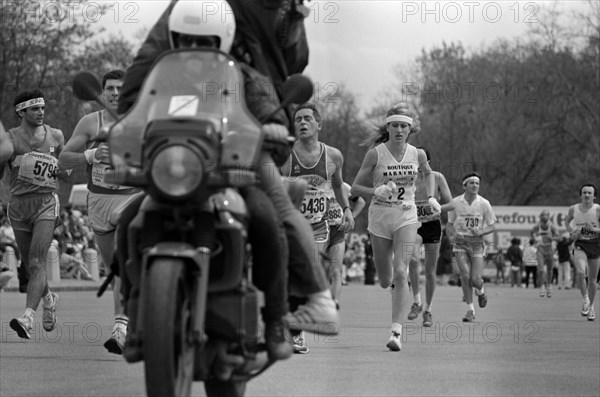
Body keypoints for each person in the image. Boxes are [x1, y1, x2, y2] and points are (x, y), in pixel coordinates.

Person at [115, 0, 338, 361]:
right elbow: (135, 105)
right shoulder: (161, 79)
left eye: (204, 41)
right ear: (173, 37)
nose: (193, 48)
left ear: (223, 40)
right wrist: (122, 129)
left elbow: (270, 99)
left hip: (228, 173)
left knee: (266, 219)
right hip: (177, 173)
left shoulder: (242, 76)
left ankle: (277, 320)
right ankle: (137, 320)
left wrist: (273, 129)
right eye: (185, 39)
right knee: (129, 221)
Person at [59, 70, 142, 354]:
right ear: (102, 92)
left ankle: (120, 327)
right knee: (113, 267)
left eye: (121, 88)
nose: (116, 93)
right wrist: (90, 156)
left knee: (121, 261)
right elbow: (62, 161)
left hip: (132, 198)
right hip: (99, 201)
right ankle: (132, 313)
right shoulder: (90, 122)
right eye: (110, 89)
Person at [351, 104, 441, 351]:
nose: (399, 130)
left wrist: (431, 197)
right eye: (395, 125)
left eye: (404, 126)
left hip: (406, 217)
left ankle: (396, 333)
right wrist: (375, 190)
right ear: (387, 127)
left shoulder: (418, 154)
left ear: (410, 129)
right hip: (380, 217)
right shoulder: (375, 154)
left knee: (402, 271)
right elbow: (355, 188)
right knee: (385, 279)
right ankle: (393, 288)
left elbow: (429, 173)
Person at [281, 103, 356, 353]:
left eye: (307, 119)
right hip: (291, 222)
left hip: (318, 224)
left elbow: (338, 185)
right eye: (298, 119)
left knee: (312, 268)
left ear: (318, 124)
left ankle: (300, 331)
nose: (302, 123)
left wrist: (346, 209)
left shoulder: (333, 156)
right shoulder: (285, 154)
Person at [5, 90, 64, 339]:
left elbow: (64, 165)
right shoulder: (9, 140)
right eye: (34, 109)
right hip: (18, 206)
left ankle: (27, 317)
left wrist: (64, 169)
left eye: (42, 108)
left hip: (45, 204)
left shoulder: (56, 136)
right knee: (31, 266)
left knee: (38, 261)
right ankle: (49, 300)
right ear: (21, 111)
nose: (41, 112)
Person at [406, 148, 453, 327]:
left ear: (427, 163)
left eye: (420, 162)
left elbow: (451, 203)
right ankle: (416, 302)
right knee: (412, 258)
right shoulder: (408, 177)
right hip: (414, 224)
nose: (416, 165)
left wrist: (438, 207)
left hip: (432, 225)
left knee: (430, 271)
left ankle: (428, 310)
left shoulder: (437, 177)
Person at [446, 172, 496, 323]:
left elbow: (492, 226)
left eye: (477, 183)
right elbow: (449, 225)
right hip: (460, 243)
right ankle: (470, 311)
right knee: (465, 276)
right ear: (464, 185)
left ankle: (481, 291)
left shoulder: (484, 203)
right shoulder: (455, 203)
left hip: (476, 244)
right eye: (472, 183)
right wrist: (453, 236)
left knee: (475, 279)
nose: (475, 186)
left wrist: (481, 231)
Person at [565, 183, 600, 321]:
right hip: (580, 244)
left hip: (596, 245)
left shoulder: (598, 210)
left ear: (594, 196)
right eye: (584, 192)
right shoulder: (573, 209)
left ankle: (591, 307)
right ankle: (585, 299)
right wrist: (572, 232)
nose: (586, 195)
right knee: (580, 272)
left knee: (593, 281)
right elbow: (567, 223)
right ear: (581, 195)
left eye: (589, 193)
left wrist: (594, 229)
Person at [530, 210, 560, 298]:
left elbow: (559, 238)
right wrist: (535, 238)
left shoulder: (552, 227)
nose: (544, 217)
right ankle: (542, 286)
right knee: (540, 269)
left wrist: (553, 238)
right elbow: (531, 232)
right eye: (542, 215)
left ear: (549, 216)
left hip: (549, 249)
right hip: (540, 249)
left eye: (546, 215)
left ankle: (549, 286)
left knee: (550, 270)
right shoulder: (537, 226)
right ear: (540, 217)